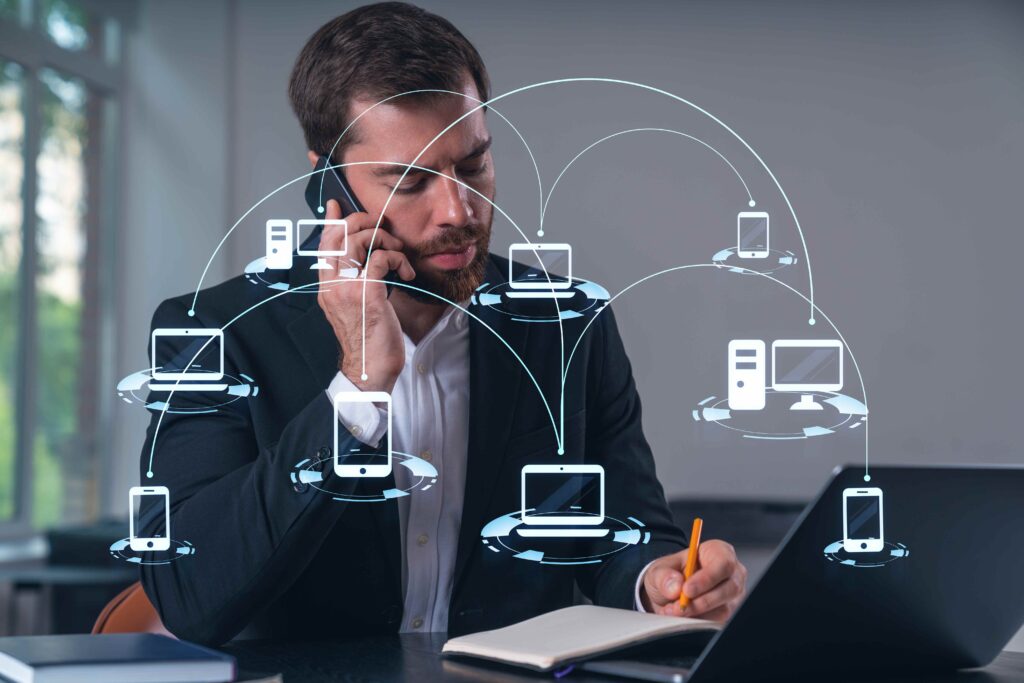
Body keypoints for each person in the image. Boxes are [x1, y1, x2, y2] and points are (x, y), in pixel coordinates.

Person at [138, 1, 746, 645]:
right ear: (327, 186)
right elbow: (191, 595)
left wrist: (655, 580)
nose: (459, 209)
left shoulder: (571, 324)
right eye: (409, 180)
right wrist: (356, 392)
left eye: (473, 164)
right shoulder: (212, 331)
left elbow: (619, 532)